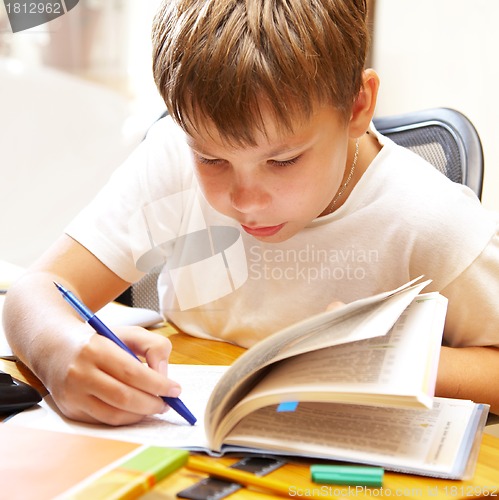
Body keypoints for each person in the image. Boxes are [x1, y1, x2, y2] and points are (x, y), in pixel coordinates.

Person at [4, 0, 499, 426]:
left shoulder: (431, 219)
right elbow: (36, 291)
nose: (246, 200)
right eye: (212, 159)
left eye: (283, 161)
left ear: (357, 106)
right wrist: (59, 351)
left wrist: (393, 357)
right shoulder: (171, 158)